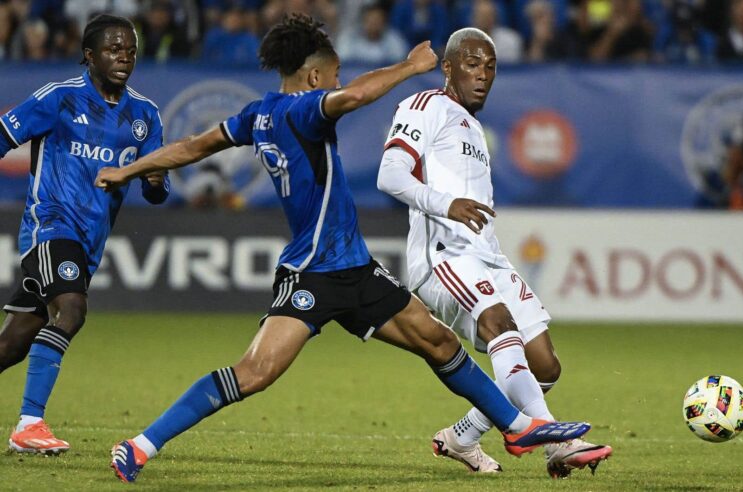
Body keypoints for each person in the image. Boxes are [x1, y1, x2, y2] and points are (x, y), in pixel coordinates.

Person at [94, 14, 591, 484]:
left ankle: (516, 426)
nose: (335, 83)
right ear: (313, 77)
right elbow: (353, 97)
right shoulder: (303, 110)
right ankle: (140, 444)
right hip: (312, 273)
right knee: (254, 373)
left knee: (438, 342)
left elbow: (193, 146)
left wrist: (129, 170)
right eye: (331, 75)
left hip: (357, 270)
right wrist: (410, 67)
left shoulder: (257, 114)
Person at [376, 27, 612, 478]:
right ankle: (554, 442)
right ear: (447, 68)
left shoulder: (473, 126)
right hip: (443, 257)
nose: (483, 75)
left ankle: (461, 437)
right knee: (498, 323)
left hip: (486, 255)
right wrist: (448, 205)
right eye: (471, 64)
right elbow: (389, 174)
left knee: (544, 363)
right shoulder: (424, 106)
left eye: (490, 66)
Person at [0, 14, 169, 455]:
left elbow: (157, 191)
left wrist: (153, 181)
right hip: (49, 226)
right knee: (72, 311)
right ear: (89, 56)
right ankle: (29, 425)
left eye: (130, 50)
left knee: (15, 342)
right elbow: (3, 135)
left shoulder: (145, 115)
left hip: (88, 242)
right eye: (114, 49)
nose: (124, 58)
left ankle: (28, 423)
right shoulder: (59, 98)